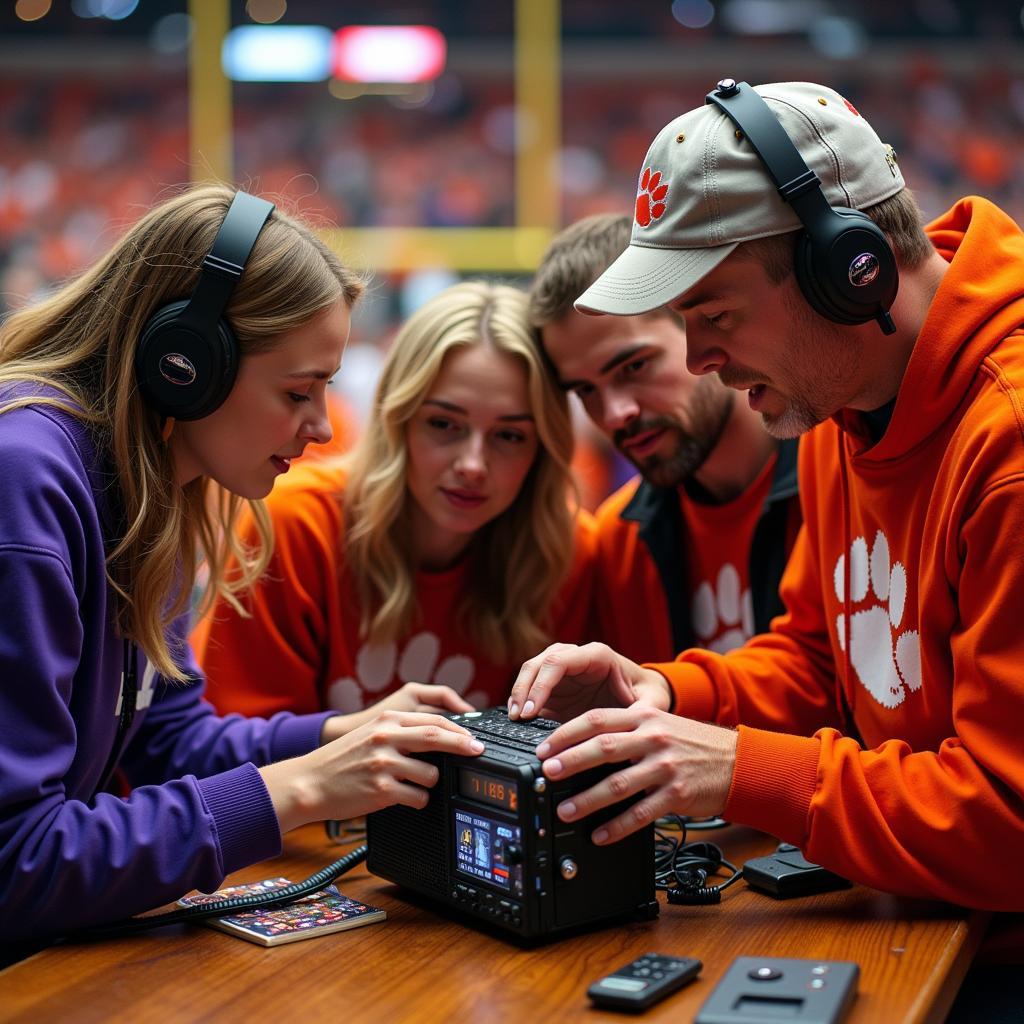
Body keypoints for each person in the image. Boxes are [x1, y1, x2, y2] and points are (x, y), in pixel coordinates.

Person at [507, 79, 1024, 925]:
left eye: (712, 313)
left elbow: (1011, 822)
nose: (698, 357)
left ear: (846, 271)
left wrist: (737, 767)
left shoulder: (1007, 443)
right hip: (925, 922)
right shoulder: (835, 397)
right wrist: (667, 698)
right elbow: (823, 663)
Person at [0, 184, 484, 949]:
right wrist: (299, 789)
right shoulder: (25, 480)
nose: (322, 427)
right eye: (298, 391)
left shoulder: (154, 485)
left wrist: (342, 737)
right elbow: (14, 861)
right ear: (184, 364)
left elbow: (167, 745)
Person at [193, 281, 596, 718]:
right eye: (444, 424)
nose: (473, 465)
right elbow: (232, 754)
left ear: (543, 449)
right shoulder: (295, 524)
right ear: (396, 419)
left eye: (509, 435)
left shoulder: (567, 552)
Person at [529, 213, 800, 661]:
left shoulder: (839, 479)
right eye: (584, 390)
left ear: (702, 323)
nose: (615, 414)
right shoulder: (619, 543)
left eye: (634, 367)